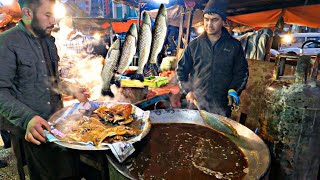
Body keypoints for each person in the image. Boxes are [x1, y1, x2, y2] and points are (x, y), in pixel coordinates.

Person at [0, 0, 89, 179]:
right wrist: (28, 118)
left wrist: (73, 89)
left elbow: (52, 80)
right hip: (33, 129)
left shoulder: (48, 41)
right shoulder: (7, 42)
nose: (53, 20)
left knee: (70, 173)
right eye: (47, 15)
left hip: (59, 124)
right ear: (28, 13)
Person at [175, 0, 249, 117]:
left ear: (223, 21)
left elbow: (242, 72)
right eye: (206, 19)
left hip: (222, 105)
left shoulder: (234, 45)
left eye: (214, 20)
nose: (209, 24)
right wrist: (187, 91)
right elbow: (181, 70)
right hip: (196, 104)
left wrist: (234, 89)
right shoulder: (194, 45)